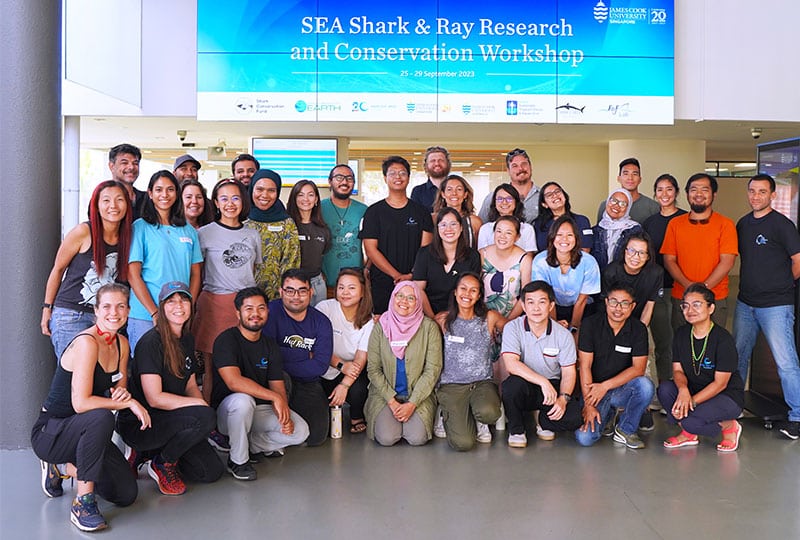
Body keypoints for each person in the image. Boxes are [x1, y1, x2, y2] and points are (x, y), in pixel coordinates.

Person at [32, 283, 150, 532]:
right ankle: (83, 503)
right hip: (53, 432)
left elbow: (118, 391)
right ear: (96, 310)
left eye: (120, 306)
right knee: (100, 416)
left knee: (126, 494)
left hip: (86, 435)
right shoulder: (87, 342)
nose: (113, 312)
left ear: (128, 310)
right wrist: (129, 402)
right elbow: (81, 403)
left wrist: (123, 394)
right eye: (106, 306)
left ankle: (63, 468)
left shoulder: (121, 344)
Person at [117, 282, 223, 496]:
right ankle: (161, 462)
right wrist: (200, 409)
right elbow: (154, 399)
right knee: (205, 415)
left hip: (173, 420)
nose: (179, 305)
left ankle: (152, 453)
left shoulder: (187, 338)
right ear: (162, 307)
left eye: (184, 299)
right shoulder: (151, 343)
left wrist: (199, 408)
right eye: (171, 301)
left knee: (210, 472)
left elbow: (191, 384)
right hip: (144, 424)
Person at [212, 287, 310, 481]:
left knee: (300, 431)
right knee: (243, 401)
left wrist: (284, 414)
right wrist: (274, 397)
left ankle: (248, 445)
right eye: (248, 309)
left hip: (258, 410)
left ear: (267, 311)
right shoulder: (226, 340)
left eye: (261, 308)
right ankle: (238, 461)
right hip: (228, 413)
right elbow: (233, 381)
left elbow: (277, 386)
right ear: (238, 313)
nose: (255, 314)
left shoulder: (269, 345)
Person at [733, 173, 800, 440]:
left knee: (786, 362)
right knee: (738, 357)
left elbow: (798, 262)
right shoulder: (742, 224)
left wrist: (780, 284)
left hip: (776, 305)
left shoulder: (782, 225)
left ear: (773, 195)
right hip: (745, 303)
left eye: (762, 192)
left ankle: (797, 416)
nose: (756, 196)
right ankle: (733, 407)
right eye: (752, 191)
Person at [41, 180, 132, 360]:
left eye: (119, 200)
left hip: (107, 318)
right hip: (72, 315)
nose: (113, 205)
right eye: (106, 200)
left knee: (99, 379)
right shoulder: (83, 232)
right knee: (74, 378)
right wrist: (47, 309)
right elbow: (58, 269)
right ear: (96, 206)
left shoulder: (129, 236)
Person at [194, 178, 260, 402]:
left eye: (235, 198)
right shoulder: (204, 233)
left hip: (244, 306)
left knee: (243, 362)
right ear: (216, 202)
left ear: (243, 201)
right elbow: (198, 271)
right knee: (212, 367)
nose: (230, 203)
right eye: (224, 198)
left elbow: (253, 269)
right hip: (214, 304)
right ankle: (208, 416)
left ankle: (242, 411)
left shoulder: (253, 234)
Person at [658, 284, 745, 451]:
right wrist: (683, 390)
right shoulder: (682, 334)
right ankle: (689, 433)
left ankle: (729, 427)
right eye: (685, 305)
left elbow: (720, 384)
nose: (690, 310)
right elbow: (677, 370)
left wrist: (691, 401)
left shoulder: (723, 339)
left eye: (697, 304)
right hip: (693, 390)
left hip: (725, 395)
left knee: (691, 420)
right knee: (665, 389)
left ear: (711, 308)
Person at [127, 170, 202, 350]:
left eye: (170, 190)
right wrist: (154, 312)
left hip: (178, 314)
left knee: (176, 372)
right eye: (159, 190)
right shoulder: (140, 228)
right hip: (145, 315)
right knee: (146, 371)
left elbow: (196, 275)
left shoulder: (189, 231)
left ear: (177, 194)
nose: (165, 195)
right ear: (150, 194)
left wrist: (186, 308)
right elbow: (133, 274)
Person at [501, 281, 583, 447]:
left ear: (551, 305)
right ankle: (517, 430)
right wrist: (542, 381)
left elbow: (568, 372)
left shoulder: (563, 335)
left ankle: (542, 420)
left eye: (542, 302)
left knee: (576, 417)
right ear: (523, 305)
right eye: (530, 302)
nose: (536, 308)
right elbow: (511, 365)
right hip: (525, 386)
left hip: (552, 389)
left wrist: (563, 399)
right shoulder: (512, 328)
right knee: (511, 387)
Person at [574, 283, 654, 449]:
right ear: (606, 303)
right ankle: (608, 415)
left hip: (619, 390)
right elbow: (585, 366)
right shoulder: (590, 325)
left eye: (625, 303)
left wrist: (605, 386)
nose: (618, 308)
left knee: (645, 386)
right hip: (593, 391)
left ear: (632, 306)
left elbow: (638, 369)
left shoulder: (638, 329)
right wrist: (589, 405)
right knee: (585, 438)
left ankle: (625, 429)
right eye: (614, 302)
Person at [365, 281, 442, 446]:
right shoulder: (381, 326)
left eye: (411, 298)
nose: (404, 301)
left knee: (416, 438)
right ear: (393, 297)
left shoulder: (429, 328)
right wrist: (392, 402)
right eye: (400, 296)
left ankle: (414, 411)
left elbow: (432, 370)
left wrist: (412, 403)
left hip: (417, 395)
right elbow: (373, 369)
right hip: (385, 395)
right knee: (387, 438)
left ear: (418, 302)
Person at [263, 269, 333, 446]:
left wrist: (281, 354)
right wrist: (304, 355)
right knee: (280, 376)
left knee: (317, 437)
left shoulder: (321, 321)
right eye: (290, 290)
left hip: (307, 382)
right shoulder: (271, 313)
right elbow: (266, 354)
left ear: (311, 292)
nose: (296, 296)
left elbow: (320, 366)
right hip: (275, 379)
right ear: (281, 292)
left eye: (302, 290)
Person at [661, 173, 738, 329]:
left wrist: (703, 288)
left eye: (705, 189)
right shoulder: (675, 224)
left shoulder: (725, 224)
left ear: (714, 194)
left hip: (715, 297)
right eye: (693, 189)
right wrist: (688, 286)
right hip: (682, 297)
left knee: (713, 347)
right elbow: (669, 260)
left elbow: (727, 261)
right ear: (687, 194)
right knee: (682, 345)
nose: (698, 194)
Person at [436, 273, 503, 451]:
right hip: (452, 385)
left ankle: (479, 418)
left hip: (482, 383)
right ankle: (448, 415)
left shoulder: (490, 318)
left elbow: (516, 331)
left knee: (490, 413)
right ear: (455, 292)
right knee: (463, 444)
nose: (467, 294)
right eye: (463, 289)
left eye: (473, 290)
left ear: (479, 295)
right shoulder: (442, 319)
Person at [360, 155, 434, 313]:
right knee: (383, 326)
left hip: (416, 282)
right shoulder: (374, 212)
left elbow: (426, 249)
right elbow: (371, 250)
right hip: (382, 283)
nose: (398, 177)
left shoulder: (421, 212)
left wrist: (411, 274)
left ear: (408, 177)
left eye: (402, 173)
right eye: (392, 173)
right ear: (385, 178)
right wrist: (397, 275)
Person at [316, 269, 375, 434]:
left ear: (363, 291)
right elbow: (317, 348)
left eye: (351, 288)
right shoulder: (325, 308)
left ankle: (356, 415)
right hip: (323, 367)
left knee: (359, 387)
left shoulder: (368, 321)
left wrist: (344, 385)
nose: (345, 292)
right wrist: (341, 365)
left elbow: (361, 358)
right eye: (341, 287)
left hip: (350, 371)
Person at [643, 174, 687, 384]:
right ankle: (665, 388)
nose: (664, 194)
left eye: (669, 189)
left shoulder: (686, 219)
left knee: (683, 340)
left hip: (683, 288)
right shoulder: (650, 223)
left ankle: (685, 387)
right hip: (658, 289)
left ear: (676, 192)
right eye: (659, 189)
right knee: (663, 342)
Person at [532, 215, 601, 333]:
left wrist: (573, 327)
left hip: (581, 308)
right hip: (551, 307)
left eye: (569, 235)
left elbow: (582, 300)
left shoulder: (589, 262)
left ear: (576, 238)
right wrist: (554, 325)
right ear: (552, 237)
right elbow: (545, 296)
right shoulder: (540, 261)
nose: (564, 239)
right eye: (559, 235)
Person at [413, 207, 481, 319]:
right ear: (437, 229)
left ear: (461, 228)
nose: (448, 229)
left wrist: (452, 318)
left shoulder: (472, 256)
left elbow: (471, 292)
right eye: (443, 225)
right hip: (427, 315)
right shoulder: (424, 253)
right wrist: (433, 318)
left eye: (453, 224)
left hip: (460, 315)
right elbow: (418, 289)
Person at [245, 169, 301, 302]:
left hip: (277, 297)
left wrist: (286, 293)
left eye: (271, 190)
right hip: (244, 295)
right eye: (259, 189)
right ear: (252, 189)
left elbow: (292, 261)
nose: (265, 195)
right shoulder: (240, 219)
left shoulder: (286, 223)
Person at [320, 164, 368, 292]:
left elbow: (372, 245)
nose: (345, 182)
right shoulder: (318, 209)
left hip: (355, 285)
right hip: (324, 284)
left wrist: (367, 269)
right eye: (339, 177)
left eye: (349, 178)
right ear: (330, 181)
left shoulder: (364, 210)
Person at [601, 232, 663, 327]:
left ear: (648, 256)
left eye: (642, 253)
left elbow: (649, 306)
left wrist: (640, 332)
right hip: (612, 320)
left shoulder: (655, 273)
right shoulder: (611, 272)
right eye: (631, 250)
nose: (635, 256)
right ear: (625, 251)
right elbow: (606, 306)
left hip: (638, 319)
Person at [287, 179, 331, 306]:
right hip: (294, 285)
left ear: (316, 199)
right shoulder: (288, 226)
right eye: (300, 195)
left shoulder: (323, 229)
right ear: (294, 198)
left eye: (310, 195)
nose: (306, 199)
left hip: (317, 284)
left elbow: (322, 254)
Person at [480, 216, 533, 319]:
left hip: (512, 319)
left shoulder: (525, 259)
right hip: (482, 317)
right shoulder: (482, 254)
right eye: (499, 231)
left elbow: (525, 295)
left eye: (508, 233)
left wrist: (506, 322)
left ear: (517, 237)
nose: (502, 236)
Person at [478, 148, 540, 223]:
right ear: (508, 171)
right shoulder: (493, 198)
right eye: (514, 166)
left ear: (530, 167)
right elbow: (480, 227)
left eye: (524, 164)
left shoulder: (544, 197)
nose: (520, 168)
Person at [595, 158, 660, 225]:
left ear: (640, 179)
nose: (630, 178)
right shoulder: (606, 206)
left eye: (634, 174)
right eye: (626, 174)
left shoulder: (653, 207)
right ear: (619, 178)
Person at [591, 189, 643, 272]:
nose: (616, 206)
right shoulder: (595, 230)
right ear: (607, 202)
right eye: (614, 200)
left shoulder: (635, 230)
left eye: (623, 204)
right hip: (598, 280)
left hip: (624, 281)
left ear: (628, 208)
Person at [533, 181, 592, 252]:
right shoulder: (539, 224)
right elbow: (540, 250)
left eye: (557, 191)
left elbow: (585, 250)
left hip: (577, 262)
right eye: (549, 195)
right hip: (546, 262)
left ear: (565, 196)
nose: (554, 195)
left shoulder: (582, 221)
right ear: (544, 204)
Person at [476, 183, 537, 251]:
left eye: (509, 198)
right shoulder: (485, 229)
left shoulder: (527, 229)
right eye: (500, 199)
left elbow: (528, 257)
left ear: (516, 202)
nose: (504, 202)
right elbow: (483, 256)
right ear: (494, 203)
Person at [432, 174, 482, 248]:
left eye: (459, 189)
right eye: (449, 189)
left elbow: (480, 250)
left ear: (465, 194)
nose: (454, 193)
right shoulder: (433, 219)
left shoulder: (475, 221)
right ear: (443, 194)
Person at [108, 143, 146, 218]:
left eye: (135, 163)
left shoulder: (147, 199)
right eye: (124, 163)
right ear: (112, 166)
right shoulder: (102, 198)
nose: (131, 167)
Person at [410, 145, 451, 213]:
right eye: (432, 161)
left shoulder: (458, 188)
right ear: (426, 166)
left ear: (448, 164)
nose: (437, 163)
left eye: (441, 160)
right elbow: (415, 218)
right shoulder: (418, 191)